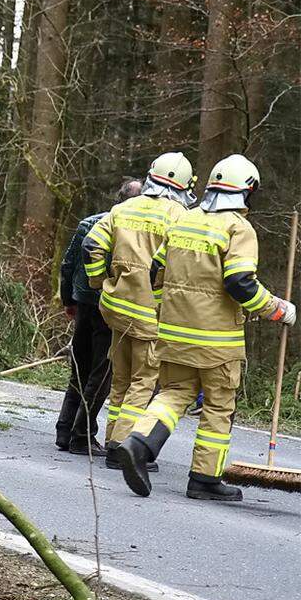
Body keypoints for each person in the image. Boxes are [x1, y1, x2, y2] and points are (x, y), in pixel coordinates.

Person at [116, 154, 296, 502]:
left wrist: (162, 308)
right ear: (248, 190)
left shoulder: (185, 221)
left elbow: (155, 272)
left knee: (172, 395)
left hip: (173, 333)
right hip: (216, 341)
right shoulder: (238, 229)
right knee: (217, 406)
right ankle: (204, 479)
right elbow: (240, 284)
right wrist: (277, 310)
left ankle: (137, 445)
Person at [83, 152, 196, 471]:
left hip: (117, 308)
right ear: (184, 186)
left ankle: (111, 439)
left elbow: (92, 245)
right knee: (144, 382)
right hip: (151, 314)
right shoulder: (179, 215)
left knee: (121, 379)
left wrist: (99, 280)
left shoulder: (123, 209)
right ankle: (122, 447)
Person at [55, 178, 143, 454]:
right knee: (101, 374)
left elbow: (67, 265)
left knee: (80, 368)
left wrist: (68, 299)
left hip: (83, 304)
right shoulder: (129, 230)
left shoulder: (88, 223)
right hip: (106, 307)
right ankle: (81, 435)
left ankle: (64, 428)